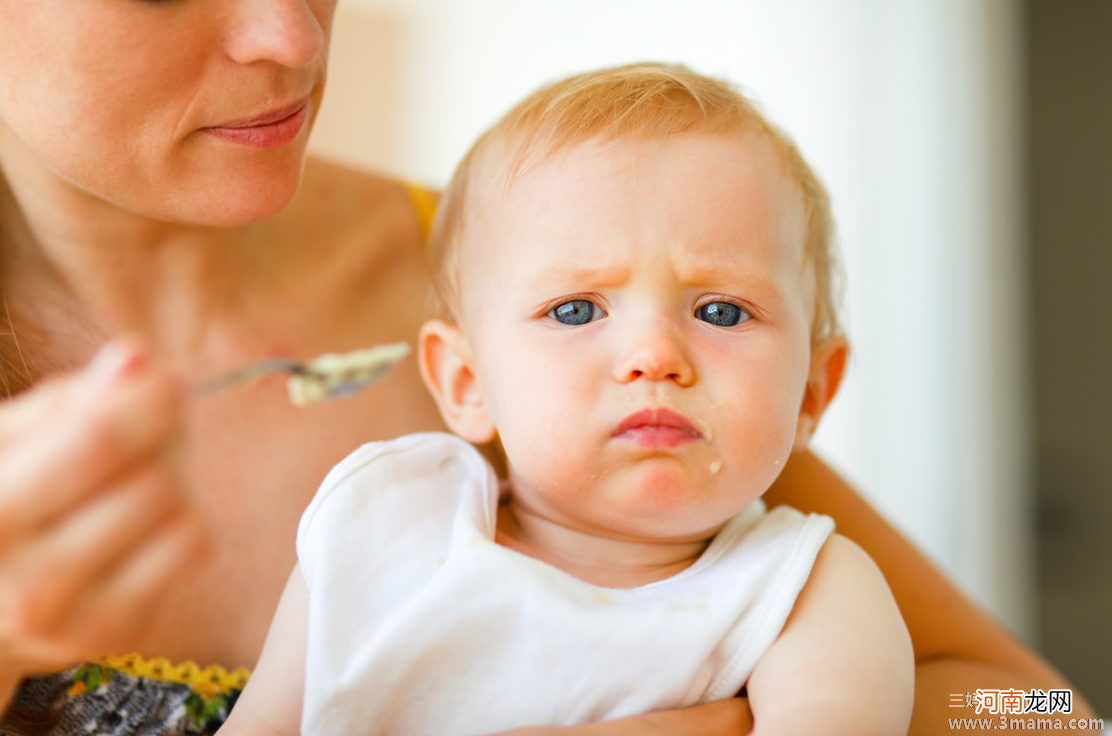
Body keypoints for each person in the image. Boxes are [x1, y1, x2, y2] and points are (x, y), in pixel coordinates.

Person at [0, 2, 1093, 735]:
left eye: (718, 311)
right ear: (453, 377)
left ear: (817, 385)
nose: (288, 32)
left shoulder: (543, 273)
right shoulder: (418, 461)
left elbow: (1043, 711)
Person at [217, 62, 915, 736]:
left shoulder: (803, 591)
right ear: (467, 384)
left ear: (811, 393)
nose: (654, 357)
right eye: (577, 311)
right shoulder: (384, 527)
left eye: (722, 312)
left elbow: (1025, 705)